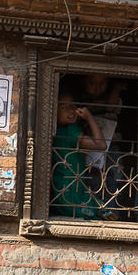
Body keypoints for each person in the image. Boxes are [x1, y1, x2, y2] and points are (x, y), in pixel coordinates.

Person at [51, 91, 117, 221]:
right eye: (64, 107)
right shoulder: (70, 130)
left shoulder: (58, 132)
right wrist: (89, 117)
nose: (71, 111)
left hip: (63, 187)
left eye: (73, 106)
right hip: (72, 188)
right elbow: (101, 145)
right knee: (94, 216)